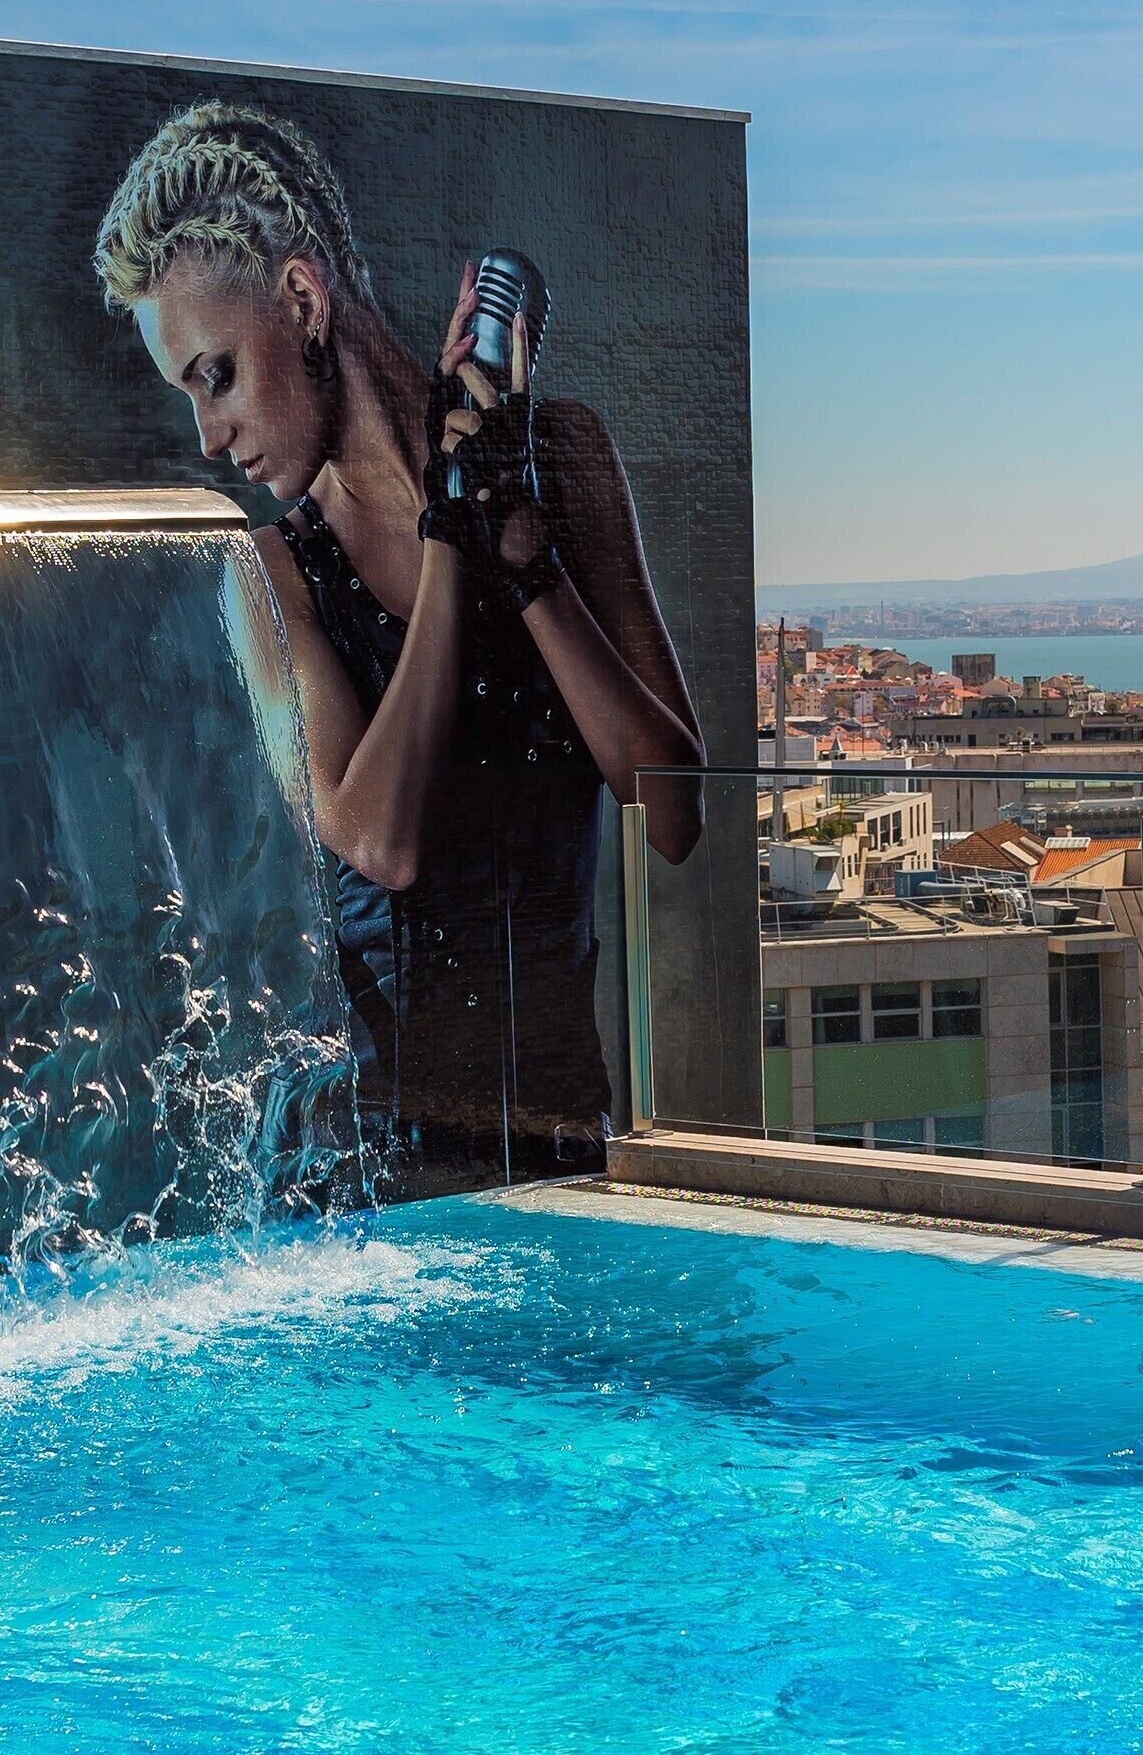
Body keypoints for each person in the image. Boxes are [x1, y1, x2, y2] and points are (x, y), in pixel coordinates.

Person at [93, 102, 703, 1178]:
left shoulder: (562, 456)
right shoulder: (274, 570)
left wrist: (524, 559)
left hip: (566, 1147)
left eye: (216, 374)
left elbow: (675, 810)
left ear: (300, 298)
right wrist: (452, 539)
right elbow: (379, 840)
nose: (208, 434)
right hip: (383, 1185)